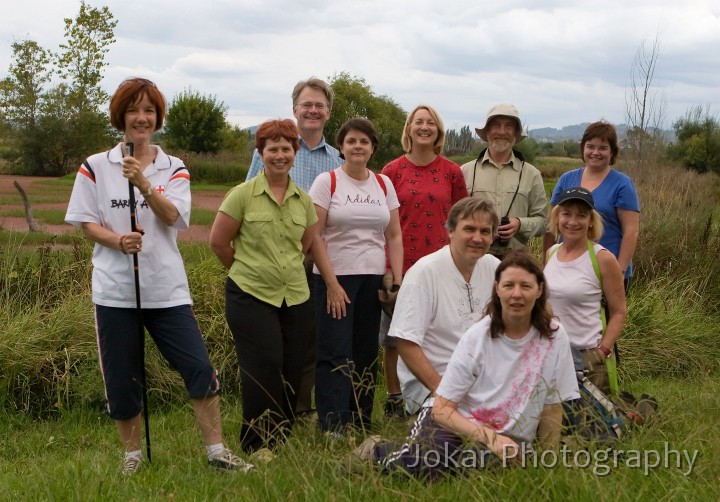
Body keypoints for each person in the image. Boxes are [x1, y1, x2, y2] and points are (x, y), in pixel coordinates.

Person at [65, 77, 251, 475]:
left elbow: (176, 218)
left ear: (158, 118)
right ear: (121, 116)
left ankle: (217, 452)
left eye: (149, 110)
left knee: (199, 368)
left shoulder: (175, 167)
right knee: (122, 378)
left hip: (167, 290)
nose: (141, 117)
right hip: (115, 291)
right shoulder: (95, 166)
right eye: (133, 109)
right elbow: (85, 222)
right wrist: (117, 240)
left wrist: (144, 184)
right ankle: (132, 457)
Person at [375, 251, 579, 479]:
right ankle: (376, 452)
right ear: (497, 289)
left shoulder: (554, 337)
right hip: (459, 422)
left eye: (526, 286)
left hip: (508, 439)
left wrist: (546, 466)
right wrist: (490, 438)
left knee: (484, 469)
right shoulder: (478, 336)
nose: (517, 294)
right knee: (427, 462)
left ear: (540, 290)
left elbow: (552, 405)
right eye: (509, 285)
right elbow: (441, 410)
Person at [209, 119, 319, 454]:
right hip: (250, 295)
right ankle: (256, 442)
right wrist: (246, 270)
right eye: (273, 149)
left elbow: (306, 245)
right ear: (261, 153)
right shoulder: (242, 195)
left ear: (294, 153)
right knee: (263, 365)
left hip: (296, 296)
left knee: (291, 364)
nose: (280, 155)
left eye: (287, 148)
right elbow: (218, 242)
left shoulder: (303, 200)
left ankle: (281, 434)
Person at [246, 77, 341, 417]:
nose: (313, 110)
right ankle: (271, 407)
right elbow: (249, 198)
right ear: (295, 109)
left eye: (319, 105)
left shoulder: (336, 160)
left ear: (328, 112)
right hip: (273, 261)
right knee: (273, 341)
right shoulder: (276, 149)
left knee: (307, 340)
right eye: (307, 104)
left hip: (316, 261)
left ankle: (300, 408)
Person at [308, 117, 403, 436]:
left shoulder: (383, 184)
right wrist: (332, 284)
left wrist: (397, 280)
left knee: (364, 352)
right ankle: (332, 424)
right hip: (335, 280)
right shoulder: (327, 182)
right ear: (342, 147)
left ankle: (360, 421)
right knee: (334, 351)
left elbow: (394, 235)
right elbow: (315, 236)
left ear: (373, 147)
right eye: (351, 141)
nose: (358, 146)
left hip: (372, 281)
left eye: (364, 141)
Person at [379, 105, 468, 417]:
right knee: (395, 336)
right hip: (403, 265)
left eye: (431, 123)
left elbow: (462, 220)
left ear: (438, 131)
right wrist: (389, 269)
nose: (425, 127)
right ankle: (394, 398)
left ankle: (438, 392)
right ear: (409, 129)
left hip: (443, 264)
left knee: (437, 331)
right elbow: (382, 225)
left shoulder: (452, 172)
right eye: (419, 122)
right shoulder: (391, 172)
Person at [390, 197, 500, 415]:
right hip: (435, 387)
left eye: (485, 231)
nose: (477, 238)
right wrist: (444, 393)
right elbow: (405, 343)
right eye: (469, 229)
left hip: (483, 385)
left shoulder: (495, 268)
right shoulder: (425, 272)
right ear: (450, 231)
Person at [544, 187, 627, 395]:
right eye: (566, 214)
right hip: (551, 352)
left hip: (586, 356)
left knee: (589, 424)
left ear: (591, 221)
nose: (573, 221)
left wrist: (603, 351)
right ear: (557, 217)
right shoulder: (551, 253)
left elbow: (619, 311)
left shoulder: (602, 258)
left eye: (581, 215)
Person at [545, 121, 640, 288]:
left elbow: (631, 231)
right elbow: (552, 225)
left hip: (606, 270)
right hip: (567, 266)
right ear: (583, 149)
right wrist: (547, 264)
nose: (595, 152)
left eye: (602, 148)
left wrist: (620, 271)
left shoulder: (623, 185)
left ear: (612, 153)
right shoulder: (566, 179)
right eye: (590, 146)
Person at [460, 104, 548, 258]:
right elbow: (453, 218)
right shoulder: (465, 172)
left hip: (515, 260)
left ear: (515, 133)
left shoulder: (531, 174)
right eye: (496, 125)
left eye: (508, 126)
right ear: (487, 131)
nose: (502, 131)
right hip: (473, 259)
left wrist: (519, 224)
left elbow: (543, 223)